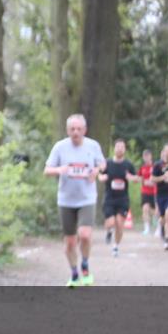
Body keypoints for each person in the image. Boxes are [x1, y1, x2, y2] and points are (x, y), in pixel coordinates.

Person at [45, 114, 105, 287]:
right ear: (67, 130)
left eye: (79, 129)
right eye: (72, 129)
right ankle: (74, 273)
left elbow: (102, 164)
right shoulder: (60, 147)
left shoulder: (93, 146)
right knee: (70, 241)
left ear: (84, 130)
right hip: (66, 200)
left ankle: (85, 265)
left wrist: (96, 170)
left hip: (87, 198)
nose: (76, 132)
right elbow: (47, 170)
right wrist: (59, 170)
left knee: (85, 235)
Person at [99, 139, 139, 257]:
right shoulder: (107, 162)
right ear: (114, 148)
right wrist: (102, 177)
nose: (120, 149)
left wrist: (131, 177)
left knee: (119, 224)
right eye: (118, 147)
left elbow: (136, 178)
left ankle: (115, 247)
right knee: (110, 222)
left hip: (123, 199)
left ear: (125, 149)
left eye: (122, 147)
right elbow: (99, 174)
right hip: (109, 198)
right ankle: (108, 232)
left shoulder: (128, 164)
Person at [138, 150, 157, 235]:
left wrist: (154, 182)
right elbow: (138, 178)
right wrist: (143, 181)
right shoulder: (142, 168)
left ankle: (157, 225)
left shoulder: (155, 167)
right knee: (145, 208)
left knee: (154, 211)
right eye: (144, 156)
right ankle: (147, 228)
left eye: (148, 156)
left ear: (151, 156)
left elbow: (160, 177)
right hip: (145, 191)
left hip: (155, 192)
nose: (146, 158)